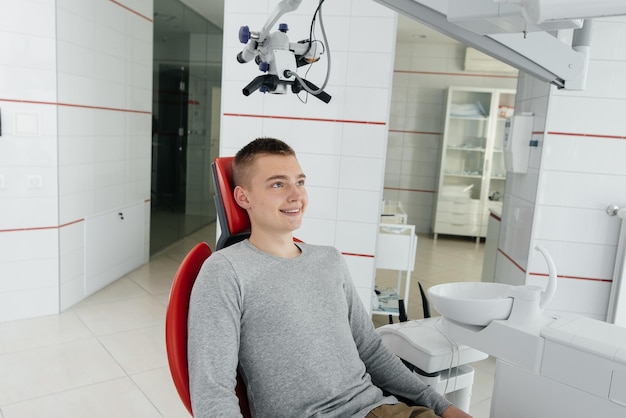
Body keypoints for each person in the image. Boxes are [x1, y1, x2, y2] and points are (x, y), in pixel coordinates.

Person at [188, 137, 472, 418]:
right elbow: (213, 390)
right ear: (243, 197)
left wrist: (441, 406)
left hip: (383, 409)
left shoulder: (329, 259)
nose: (295, 195)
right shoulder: (226, 271)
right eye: (278, 184)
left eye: (299, 182)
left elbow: (371, 349)